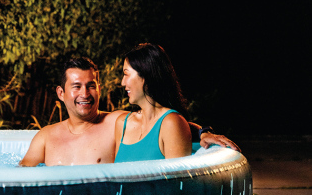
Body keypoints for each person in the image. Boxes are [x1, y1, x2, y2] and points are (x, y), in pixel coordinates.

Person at [20, 51, 238, 167]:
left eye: (91, 86)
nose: (85, 94)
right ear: (60, 93)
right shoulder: (45, 138)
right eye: (76, 87)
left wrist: (203, 132)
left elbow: (161, 122)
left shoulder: (114, 123)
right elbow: (19, 184)